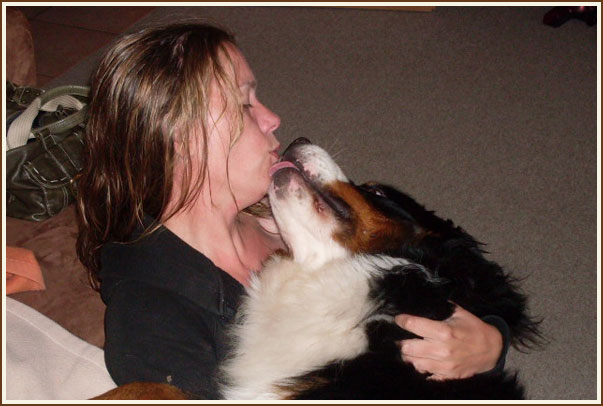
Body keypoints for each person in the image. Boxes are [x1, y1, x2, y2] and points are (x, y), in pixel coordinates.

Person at [76, 23, 508, 399]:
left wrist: (490, 340)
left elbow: (436, 271)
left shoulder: (285, 211)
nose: (272, 118)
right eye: (244, 104)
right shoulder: (153, 320)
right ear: (179, 136)